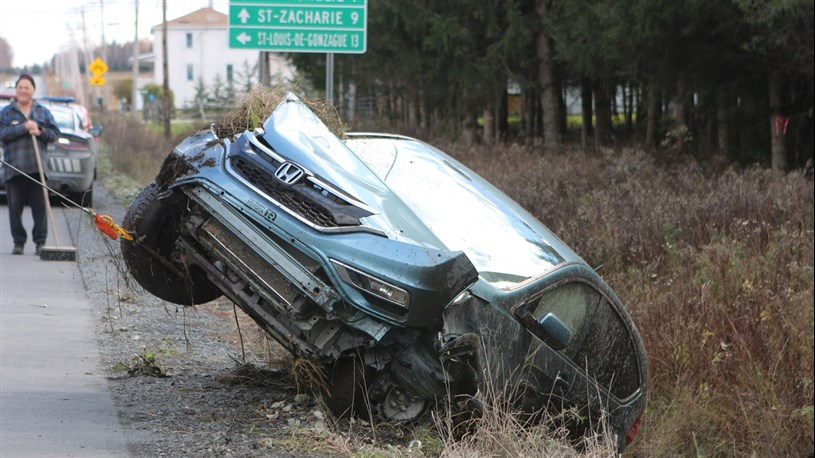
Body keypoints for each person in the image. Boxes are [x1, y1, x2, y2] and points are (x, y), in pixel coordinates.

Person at [0, 74, 60, 255]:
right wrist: (23, 127)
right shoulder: (6, 112)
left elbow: (55, 134)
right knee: (15, 208)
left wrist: (40, 131)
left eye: (27, 88)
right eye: (20, 87)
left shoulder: (42, 112)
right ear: (16, 90)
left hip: (37, 168)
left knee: (40, 208)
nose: (23, 90)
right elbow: (2, 134)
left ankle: (40, 242)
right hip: (13, 168)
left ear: (33, 91)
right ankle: (18, 242)